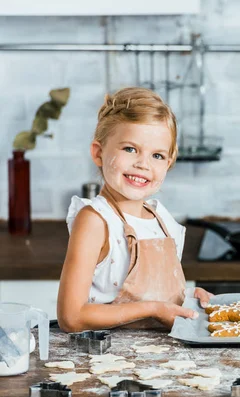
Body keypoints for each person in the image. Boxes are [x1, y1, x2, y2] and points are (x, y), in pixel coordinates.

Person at [57, 87, 213, 332]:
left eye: (158, 156)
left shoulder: (162, 219)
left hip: (166, 362)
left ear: (169, 164)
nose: (143, 164)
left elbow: (157, 294)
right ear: (98, 154)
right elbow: (71, 316)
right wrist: (154, 310)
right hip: (109, 362)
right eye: (130, 149)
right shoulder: (95, 221)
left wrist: (189, 299)